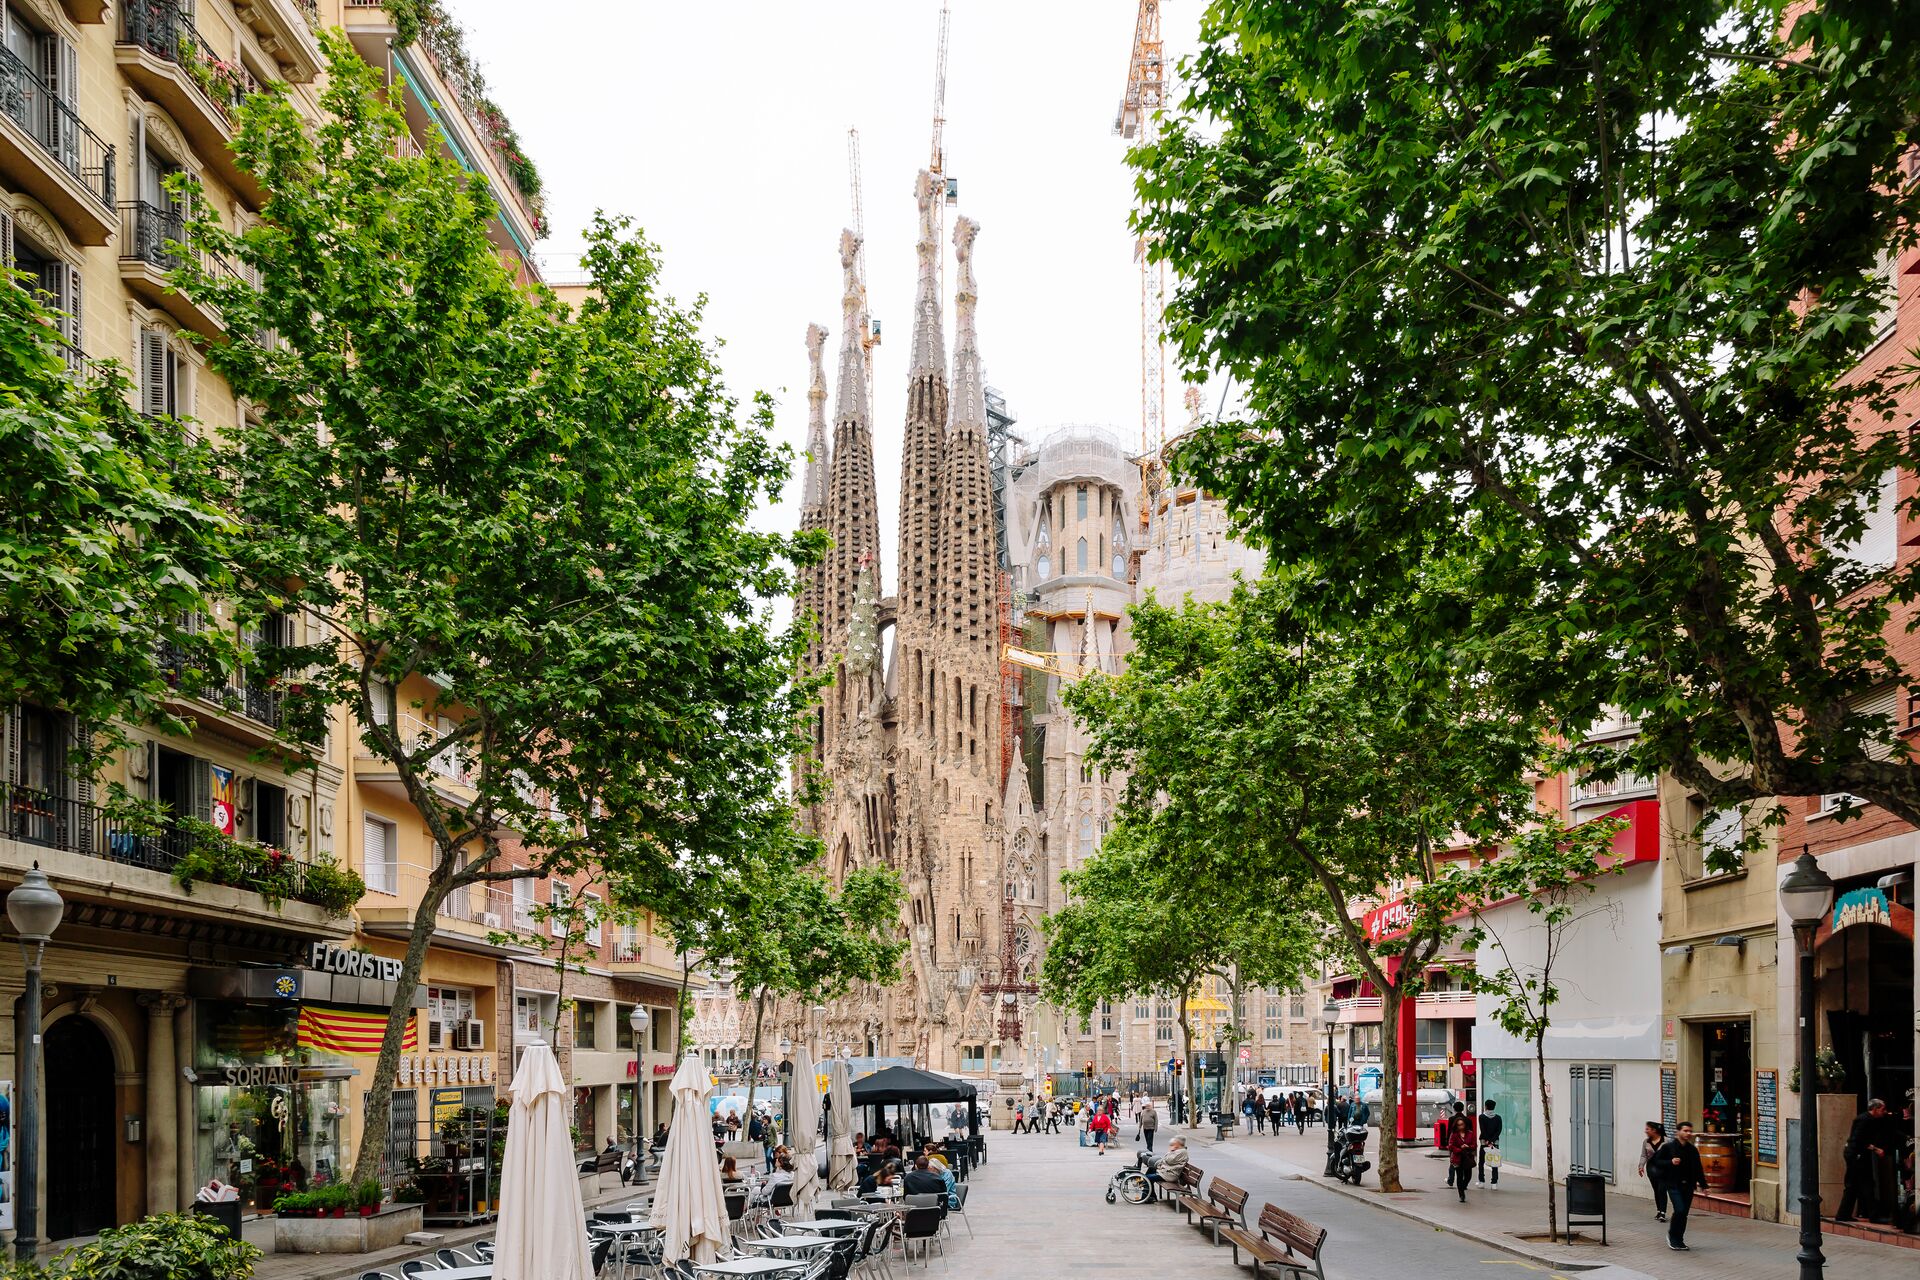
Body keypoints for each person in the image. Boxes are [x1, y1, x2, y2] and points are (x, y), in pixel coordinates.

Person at [1838, 1097, 1895, 1223]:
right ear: (1875, 1109)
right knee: (1865, 1184)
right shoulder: (1864, 1120)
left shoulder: (1870, 1119)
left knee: (1855, 1185)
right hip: (1856, 1155)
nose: (1884, 1112)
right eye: (1882, 1109)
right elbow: (1858, 1140)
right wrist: (1876, 1149)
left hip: (1858, 1154)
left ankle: (1844, 1214)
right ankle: (1873, 1216)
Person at [1652, 1121, 1707, 1250]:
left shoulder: (1692, 1150)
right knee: (1680, 1209)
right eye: (1685, 1130)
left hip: (1688, 1185)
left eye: (1690, 1131)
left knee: (1683, 1214)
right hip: (1673, 1184)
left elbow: (1698, 1168)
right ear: (1678, 1132)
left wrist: (1704, 1185)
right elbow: (1656, 1161)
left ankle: (1679, 1239)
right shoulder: (1668, 1147)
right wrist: (1670, 1162)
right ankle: (1672, 1236)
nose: (1688, 1133)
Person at [1444, 1102, 1476, 1202]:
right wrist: (1457, 1148)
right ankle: (1461, 1194)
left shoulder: (1452, 1119)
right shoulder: (1456, 1132)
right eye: (1459, 1125)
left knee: (1467, 1175)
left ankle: (1452, 1180)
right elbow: (1451, 1140)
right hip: (1457, 1155)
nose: (1461, 1126)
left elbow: (1474, 1143)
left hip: (1467, 1156)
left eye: (1462, 1125)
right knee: (1459, 1173)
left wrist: (1468, 1146)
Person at [1637, 1121, 1668, 1220]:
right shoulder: (1646, 1142)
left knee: (1662, 1189)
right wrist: (1641, 1166)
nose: (1645, 1131)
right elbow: (1644, 1155)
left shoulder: (1666, 1141)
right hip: (1651, 1168)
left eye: (1647, 1129)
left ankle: (1663, 1212)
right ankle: (1659, 1210)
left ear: (1654, 1130)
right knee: (1656, 1189)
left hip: (1663, 1168)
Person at [1478, 1099, 1504, 1186]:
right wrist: (1492, 1141)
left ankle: (1481, 1181)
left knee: (1481, 1162)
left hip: (1484, 1142)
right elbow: (1499, 1130)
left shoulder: (1481, 1117)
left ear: (1485, 1106)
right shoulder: (1498, 1118)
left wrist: (1488, 1141)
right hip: (1495, 1143)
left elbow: (1483, 1130)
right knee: (1494, 1162)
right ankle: (1494, 1183)